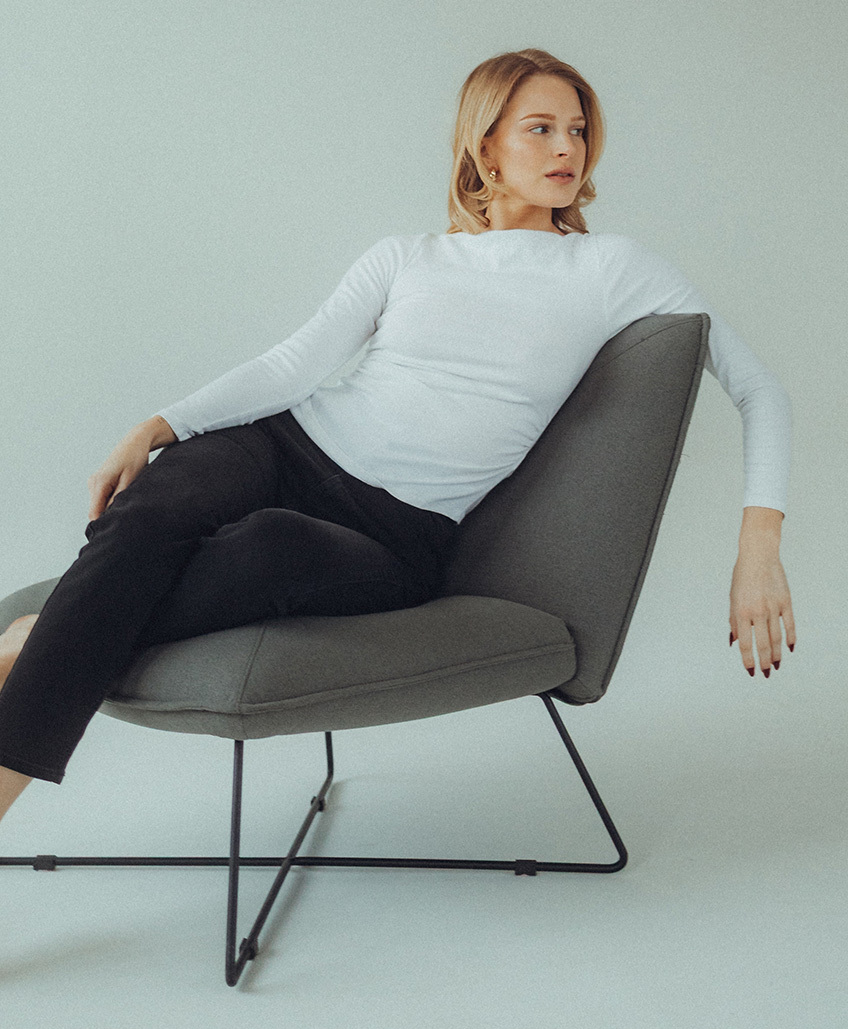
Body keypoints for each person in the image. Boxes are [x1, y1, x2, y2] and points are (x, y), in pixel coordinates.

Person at [0, 48, 794, 825]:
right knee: (153, 504)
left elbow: (758, 388)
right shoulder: (408, 256)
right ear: (485, 145)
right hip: (284, 446)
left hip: (395, 533)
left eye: (578, 131)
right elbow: (292, 366)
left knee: (269, 548)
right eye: (541, 129)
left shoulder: (612, 268)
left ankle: (45, 635)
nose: (567, 149)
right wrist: (158, 425)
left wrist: (758, 549)